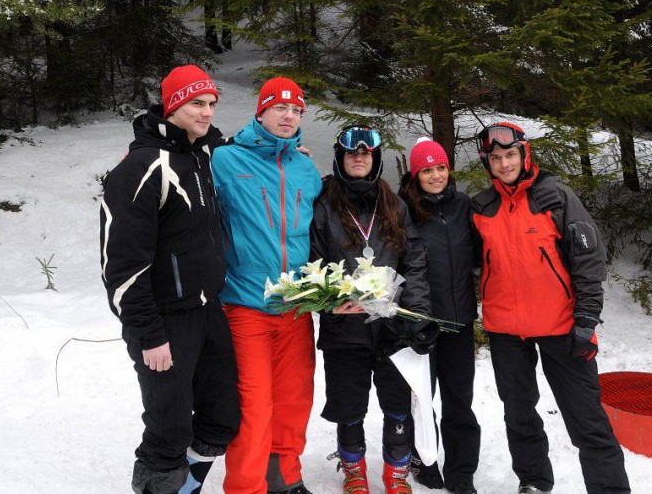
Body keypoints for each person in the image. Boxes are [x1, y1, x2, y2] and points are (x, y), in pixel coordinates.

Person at [100, 64, 240, 494]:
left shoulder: (202, 154)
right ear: (173, 106)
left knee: (221, 417)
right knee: (168, 433)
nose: (207, 112)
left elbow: (242, 148)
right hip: (162, 321)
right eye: (197, 103)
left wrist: (286, 152)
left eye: (212, 104)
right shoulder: (140, 168)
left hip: (207, 311)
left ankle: (187, 487)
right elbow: (121, 266)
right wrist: (148, 334)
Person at [470, 122, 630, 494]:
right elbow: (469, 260)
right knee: (519, 413)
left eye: (510, 155)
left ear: (524, 154)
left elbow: (589, 259)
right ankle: (534, 481)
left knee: (587, 419)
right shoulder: (481, 207)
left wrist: (586, 317)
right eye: (496, 158)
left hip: (563, 327)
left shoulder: (556, 197)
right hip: (506, 330)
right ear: (487, 163)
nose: (505, 164)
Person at [310, 125, 438, 494]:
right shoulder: (324, 207)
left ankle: (396, 473)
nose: (359, 158)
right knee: (349, 407)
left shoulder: (395, 205)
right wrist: (333, 300)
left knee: (397, 405)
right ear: (340, 158)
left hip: (392, 329)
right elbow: (313, 262)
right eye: (352, 153)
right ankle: (354, 471)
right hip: (344, 329)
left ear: (376, 159)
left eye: (366, 153)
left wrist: (416, 317)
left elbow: (414, 263)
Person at [211, 77, 322, 494]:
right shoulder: (225, 159)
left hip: (296, 307)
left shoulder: (306, 168)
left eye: (296, 110)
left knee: (294, 400)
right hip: (246, 305)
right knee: (254, 407)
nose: (289, 116)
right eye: (280, 108)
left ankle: (285, 479)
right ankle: (246, 487)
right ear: (261, 111)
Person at [399, 138, 481, 494]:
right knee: (420, 398)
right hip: (420, 322)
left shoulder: (464, 206)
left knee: (459, 399)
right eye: (427, 170)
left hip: (458, 321)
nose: (436, 176)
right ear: (415, 175)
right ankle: (424, 460)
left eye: (441, 167)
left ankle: (462, 470)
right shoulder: (404, 210)